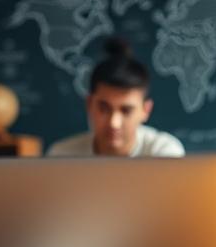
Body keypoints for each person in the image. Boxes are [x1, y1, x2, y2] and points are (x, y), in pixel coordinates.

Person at [47, 38, 185, 158]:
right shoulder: (61, 155)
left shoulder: (164, 152)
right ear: (89, 104)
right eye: (103, 108)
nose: (114, 123)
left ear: (146, 110)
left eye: (126, 110)